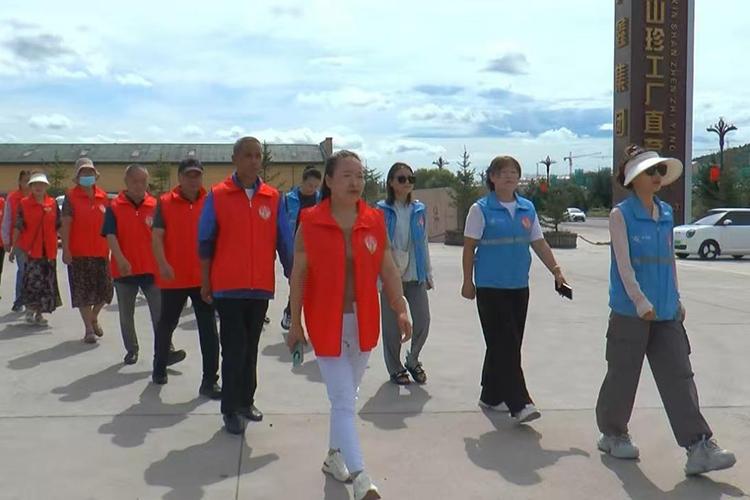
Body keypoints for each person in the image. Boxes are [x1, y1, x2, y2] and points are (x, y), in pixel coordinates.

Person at [595, 144, 736, 475]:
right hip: (631, 312)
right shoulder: (621, 215)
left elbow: (668, 260)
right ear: (633, 179)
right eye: (650, 172)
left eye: (660, 170)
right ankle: (613, 434)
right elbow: (624, 266)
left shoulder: (666, 212)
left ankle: (698, 446)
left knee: (679, 375)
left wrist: (676, 298)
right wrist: (640, 301)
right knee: (622, 375)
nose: (657, 176)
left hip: (666, 311)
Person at [287, 150, 412, 500]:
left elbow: (388, 268)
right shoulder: (310, 221)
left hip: (364, 321)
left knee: (345, 398)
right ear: (328, 180)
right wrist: (295, 323)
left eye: (359, 176)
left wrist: (400, 307)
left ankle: (334, 457)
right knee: (343, 398)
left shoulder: (373, 219)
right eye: (346, 175)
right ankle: (360, 478)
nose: (355, 182)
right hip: (326, 321)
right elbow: (299, 275)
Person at [461, 155, 567, 424]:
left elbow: (539, 243)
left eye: (513, 172)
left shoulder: (526, 208)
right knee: (505, 343)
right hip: (490, 286)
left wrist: (556, 270)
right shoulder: (480, 209)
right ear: (492, 178)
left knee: (508, 342)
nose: (509, 176)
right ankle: (520, 403)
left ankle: (491, 395)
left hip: (519, 284)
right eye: (503, 172)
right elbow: (469, 247)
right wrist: (467, 281)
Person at [198, 136, 293, 435]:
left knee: (251, 347)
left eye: (258, 155)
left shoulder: (272, 197)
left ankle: (246, 401)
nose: (254, 160)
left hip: (259, 287)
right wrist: (205, 281)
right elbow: (205, 241)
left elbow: (284, 240)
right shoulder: (218, 195)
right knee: (234, 348)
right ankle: (229, 408)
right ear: (235, 159)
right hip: (228, 288)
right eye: (248, 155)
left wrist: (293, 274)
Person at [102, 164, 186, 366]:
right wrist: (120, 259)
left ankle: (166, 351)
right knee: (126, 315)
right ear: (126, 182)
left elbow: (165, 237)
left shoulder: (156, 206)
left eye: (143, 181)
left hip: (152, 269)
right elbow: (110, 235)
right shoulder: (114, 207)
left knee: (160, 315)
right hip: (124, 270)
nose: (139, 185)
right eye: (135, 181)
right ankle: (132, 349)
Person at [151, 158, 221, 400]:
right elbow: (156, 237)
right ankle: (159, 365)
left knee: (209, 330)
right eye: (189, 175)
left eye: (197, 175)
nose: (193, 180)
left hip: (203, 278)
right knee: (167, 324)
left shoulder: (210, 201)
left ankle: (210, 381)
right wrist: (162, 264)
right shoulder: (165, 202)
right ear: (180, 177)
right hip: (174, 277)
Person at [376, 162, 433, 385]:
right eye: (401, 179)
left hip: (415, 273)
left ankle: (413, 358)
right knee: (391, 328)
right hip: (390, 276)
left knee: (423, 320)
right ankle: (395, 367)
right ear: (391, 182)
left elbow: (424, 241)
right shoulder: (381, 210)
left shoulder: (419, 209)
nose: (407, 182)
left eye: (411, 179)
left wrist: (427, 272)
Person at [61, 158, 114, 344]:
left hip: (101, 251)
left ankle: (93, 316)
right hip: (78, 252)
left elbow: (109, 225)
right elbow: (65, 225)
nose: (87, 175)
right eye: (83, 172)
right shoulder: (71, 197)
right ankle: (88, 329)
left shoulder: (103, 196)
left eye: (90, 172)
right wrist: (65, 249)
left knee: (106, 291)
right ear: (77, 176)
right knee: (83, 293)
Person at [9, 172, 61, 324]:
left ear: (46, 187)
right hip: (31, 251)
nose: (39, 187)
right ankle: (30, 310)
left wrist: (66, 245)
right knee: (32, 281)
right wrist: (14, 248)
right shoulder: (24, 204)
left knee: (45, 283)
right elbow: (18, 227)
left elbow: (58, 225)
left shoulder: (52, 204)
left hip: (49, 250)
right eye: (35, 184)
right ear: (30, 187)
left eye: (42, 184)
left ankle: (39, 313)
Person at [279, 165, 322, 330]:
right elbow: (282, 223)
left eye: (316, 186)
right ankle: (291, 313)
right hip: (294, 248)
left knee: (310, 284)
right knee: (297, 282)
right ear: (302, 182)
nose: (313, 189)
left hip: (315, 248)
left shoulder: (320, 199)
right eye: (310, 185)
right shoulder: (289, 199)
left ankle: (301, 315)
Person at [2, 170, 32, 312]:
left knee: (33, 271)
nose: (28, 184)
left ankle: (32, 301)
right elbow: (7, 219)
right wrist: (6, 240)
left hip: (35, 241)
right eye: (25, 180)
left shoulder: (37, 197)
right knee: (23, 270)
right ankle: (19, 300)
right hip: (19, 240)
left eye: (30, 181)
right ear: (20, 182)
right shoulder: (13, 198)